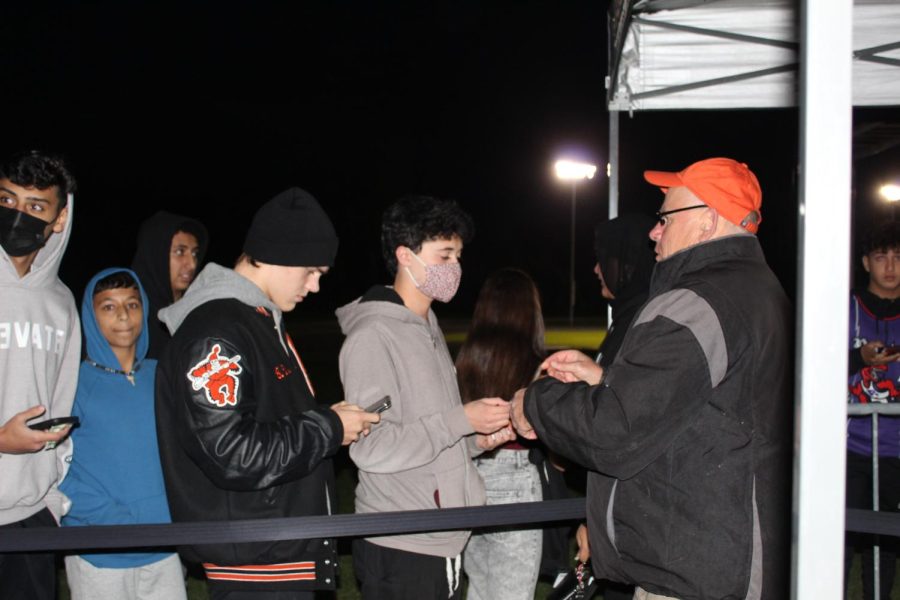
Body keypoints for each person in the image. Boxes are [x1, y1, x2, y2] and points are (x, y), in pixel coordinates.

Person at [511, 157, 792, 599]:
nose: (653, 231)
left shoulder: (697, 301)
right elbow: (710, 412)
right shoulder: (759, 289)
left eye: (665, 218)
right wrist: (606, 379)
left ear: (706, 222)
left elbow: (614, 432)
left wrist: (533, 401)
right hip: (733, 556)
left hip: (696, 571)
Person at [154, 187, 380, 600]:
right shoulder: (217, 330)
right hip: (255, 563)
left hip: (276, 549)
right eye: (310, 271)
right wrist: (328, 428)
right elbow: (231, 451)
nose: (314, 287)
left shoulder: (257, 320)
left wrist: (329, 419)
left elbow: (265, 422)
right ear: (277, 253)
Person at [336, 194, 513, 600]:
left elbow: (428, 429)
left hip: (442, 537)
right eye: (444, 255)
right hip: (402, 543)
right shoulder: (373, 336)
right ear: (405, 255)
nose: (456, 268)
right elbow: (371, 446)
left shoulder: (425, 324)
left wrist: (474, 441)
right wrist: (460, 422)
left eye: (459, 256)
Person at [60, 268, 186, 600]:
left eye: (132, 304)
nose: (123, 316)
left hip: (164, 545)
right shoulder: (71, 384)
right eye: (109, 307)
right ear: (90, 314)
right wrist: (114, 520)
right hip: (99, 549)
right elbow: (56, 468)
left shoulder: (163, 377)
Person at [0, 150, 80, 600]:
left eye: (35, 207)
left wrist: (50, 498)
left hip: (30, 516)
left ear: (59, 218)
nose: (17, 216)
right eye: (7, 200)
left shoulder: (61, 302)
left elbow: (62, 396)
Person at [571, 213, 657, 600]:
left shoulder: (644, 320)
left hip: (636, 518)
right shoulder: (626, 315)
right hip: (616, 513)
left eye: (604, 258)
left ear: (629, 263)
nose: (595, 269)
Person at [455, 267, 546, 600]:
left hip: (471, 475)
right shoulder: (536, 364)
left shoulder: (466, 358)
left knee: (478, 586)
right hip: (516, 480)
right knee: (512, 592)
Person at [845, 220, 900, 600]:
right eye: (881, 257)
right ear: (866, 262)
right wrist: (858, 357)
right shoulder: (844, 307)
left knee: (886, 541)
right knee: (842, 539)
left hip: (895, 450)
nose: (890, 267)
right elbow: (813, 365)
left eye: (898, 257)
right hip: (847, 446)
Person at [131, 210, 209, 359]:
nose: (192, 264)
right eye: (180, 252)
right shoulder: (132, 313)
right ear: (156, 254)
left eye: (194, 253)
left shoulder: (197, 310)